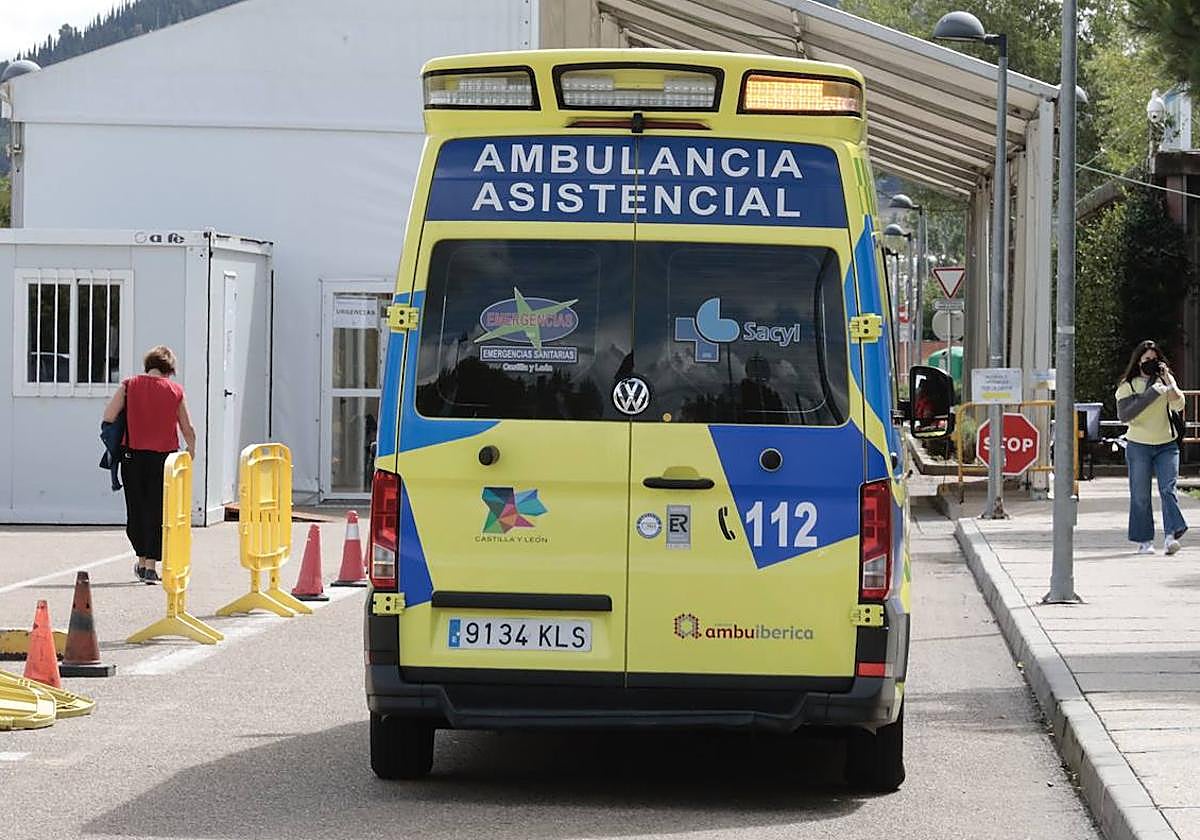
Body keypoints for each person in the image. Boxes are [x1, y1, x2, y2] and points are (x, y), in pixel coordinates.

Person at [102, 346, 196, 583]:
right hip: (164, 459)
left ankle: (142, 561)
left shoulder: (129, 385)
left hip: (132, 456)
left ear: (148, 364)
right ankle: (151, 566)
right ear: (169, 369)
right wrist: (191, 449)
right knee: (157, 511)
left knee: (137, 509)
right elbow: (187, 428)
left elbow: (109, 416)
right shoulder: (175, 391)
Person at [1115, 340, 1187, 555]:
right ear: (1138, 361)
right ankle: (1144, 540)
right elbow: (1125, 415)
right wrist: (1151, 394)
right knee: (1140, 495)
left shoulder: (1164, 381)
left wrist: (1168, 382)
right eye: (1147, 359)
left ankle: (1171, 536)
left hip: (1166, 444)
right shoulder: (1128, 386)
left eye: (1155, 359)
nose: (1151, 363)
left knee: (1168, 490)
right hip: (1139, 445)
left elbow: (1179, 404)